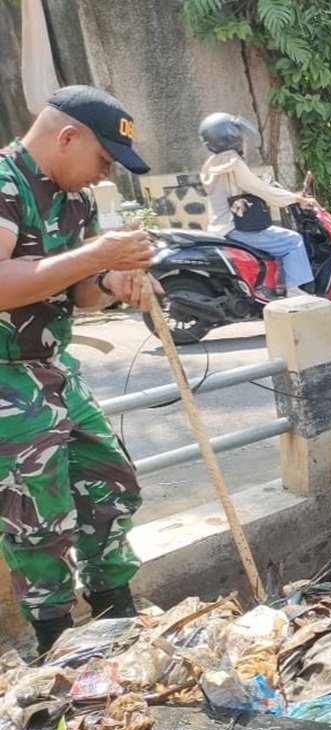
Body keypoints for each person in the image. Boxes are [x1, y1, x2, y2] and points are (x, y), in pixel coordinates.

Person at [0, 85, 159, 655]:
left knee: (111, 482)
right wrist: (98, 256)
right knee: (37, 513)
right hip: (3, 374)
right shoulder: (4, 185)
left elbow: (81, 293)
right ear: (67, 137)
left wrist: (115, 281)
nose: (102, 174)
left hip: (51, 364)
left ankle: (115, 609)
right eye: (102, 159)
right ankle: (55, 638)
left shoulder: (76, 201)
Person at [197, 112, 316, 296]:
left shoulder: (210, 164)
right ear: (230, 136)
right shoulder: (232, 162)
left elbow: (244, 189)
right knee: (292, 241)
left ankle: (278, 285)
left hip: (219, 228)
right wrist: (296, 199)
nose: (244, 140)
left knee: (277, 242)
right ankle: (293, 289)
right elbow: (259, 189)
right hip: (235, 227)